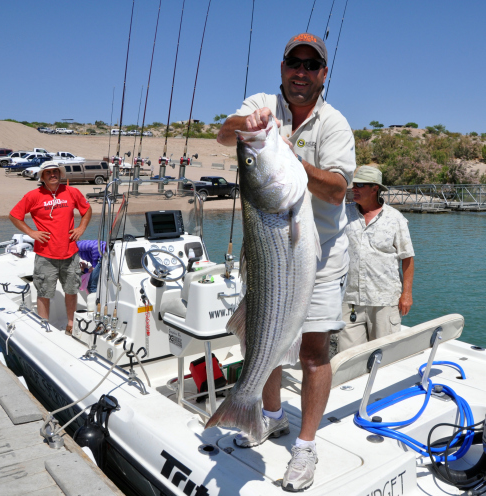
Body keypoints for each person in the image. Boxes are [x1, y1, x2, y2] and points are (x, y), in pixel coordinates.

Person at [217, 33, 356, 491]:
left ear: (323, 74)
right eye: (293, 63)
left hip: (323, 256)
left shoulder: (335, 124)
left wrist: (293, 163)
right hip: (271, 255)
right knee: (266, 337)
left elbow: (337, 189)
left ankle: (306, 446)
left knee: (314, 353)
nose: (301, 72)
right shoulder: (263, 104)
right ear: (282, 69)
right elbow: (225, 133)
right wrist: (248, 123)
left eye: (310, 65)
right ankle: (267, 414)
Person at [9, 161, 92, 335]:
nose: (53, 174)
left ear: (60, 174)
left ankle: (70, 324)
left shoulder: (72, 192)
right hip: (46, 255)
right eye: (48, 172)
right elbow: (15, 216)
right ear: (42, 176)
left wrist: (81, 228)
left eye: (56, 171)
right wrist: (31, 233)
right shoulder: (33, 195)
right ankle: (43, 326)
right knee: (44, 292)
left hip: (70, 253)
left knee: (71, 290)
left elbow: (87, 210)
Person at [337, 166, 415, 352]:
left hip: (384, 300)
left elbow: (408, 258)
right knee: (348, 357)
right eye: (354, 185)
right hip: (350, 299)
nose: (354, 188)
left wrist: (407, 294)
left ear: (375, 189)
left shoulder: (395, 219)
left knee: (385, 355)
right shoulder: (343, 214)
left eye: (360, 185)